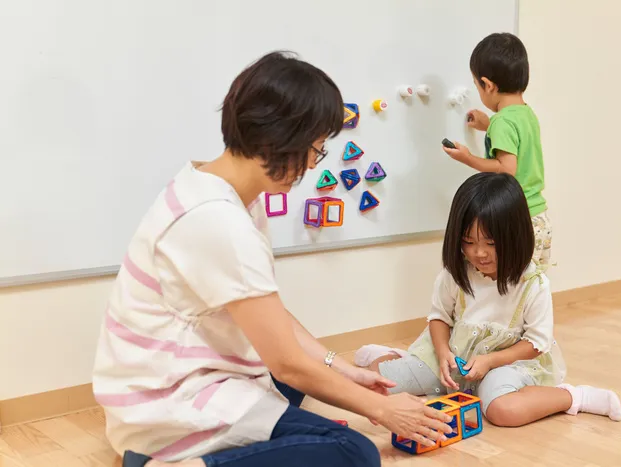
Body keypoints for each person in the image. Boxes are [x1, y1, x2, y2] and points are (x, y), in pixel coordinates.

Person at [92, 51, 453, 467]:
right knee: (354, 452)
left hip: (167, 382)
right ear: (281, 139)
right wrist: (383, 410)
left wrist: (342, 370)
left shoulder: (216, 184)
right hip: (167, 404)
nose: (312, 163)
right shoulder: (217, 222)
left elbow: (270, 316)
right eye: (315, 149)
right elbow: (286, 361)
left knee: (303, 386)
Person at [354, 173, 621, 427]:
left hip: (508, 362)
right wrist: (443, 352)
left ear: (515, 236)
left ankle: (575, 397)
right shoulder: (454, 274)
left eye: (491, 243)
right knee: (378, 382)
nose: (479, 253)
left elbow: (537, 343)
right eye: (468, 242)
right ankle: (392, 356)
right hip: (456, 355)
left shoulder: (533, 285)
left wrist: (491, 361)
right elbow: (439, 318)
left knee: (501, 410)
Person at [442, 33, 552, 266]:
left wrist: (468, 158)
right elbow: (517, 145)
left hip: (516, 217)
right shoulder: (525, 113)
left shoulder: (503, 122)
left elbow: (506, 168)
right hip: (538, 216)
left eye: (477, 86)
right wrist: (488, 125)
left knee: (509, 289)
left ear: (488, 85)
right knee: (531, 286)